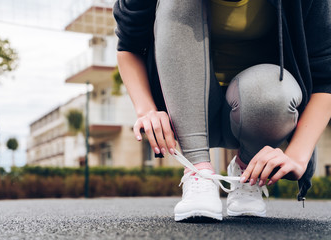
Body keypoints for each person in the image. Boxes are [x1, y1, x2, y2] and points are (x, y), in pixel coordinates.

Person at [113, 0, 331, 221]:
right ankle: (198, 172)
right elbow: (129, 46)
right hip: (184, 112)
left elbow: (325, 79)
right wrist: (146, 110)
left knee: (273, 91)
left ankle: (249, 171)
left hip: (254, 112)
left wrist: (297, 156)